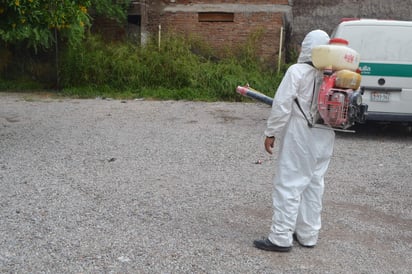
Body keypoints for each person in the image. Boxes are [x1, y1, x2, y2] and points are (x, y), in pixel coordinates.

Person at [253, 30, 335, 252]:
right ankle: (308, 235)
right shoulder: (332, 75)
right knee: (313, 184)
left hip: (301, 135)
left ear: (307, 47)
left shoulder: (297, 71)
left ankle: (280, 237)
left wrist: (271, 132)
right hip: (325, 136)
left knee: (289, 183)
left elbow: (281, 106)